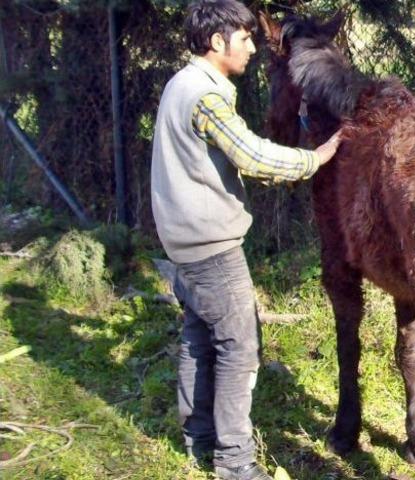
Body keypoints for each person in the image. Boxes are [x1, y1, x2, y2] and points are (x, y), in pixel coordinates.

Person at [150, 1, 341, 479]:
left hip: (183, 244)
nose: (254, 48)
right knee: (240, 348)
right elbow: (252, 155)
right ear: (218, 42)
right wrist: (316, 158)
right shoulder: (205, 96)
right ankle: (235, 463)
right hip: (211, 249)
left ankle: (198, 440)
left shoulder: (181, 83)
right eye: (246, 38)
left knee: (199, 337)